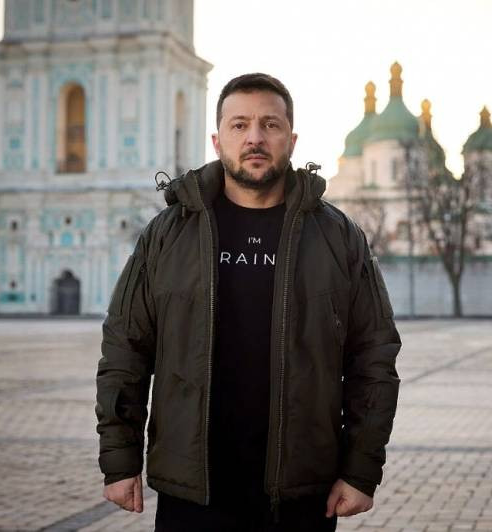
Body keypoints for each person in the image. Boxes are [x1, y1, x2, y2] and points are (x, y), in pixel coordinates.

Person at [95, 73, 401, 531]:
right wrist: (119, 460)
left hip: (302, 492)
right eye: (239, 125)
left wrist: (360, 470)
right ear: (217, 140)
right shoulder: (169, 233)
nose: (254, 137)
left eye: (270, 124)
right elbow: (126, 347)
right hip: (193, 491)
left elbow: (374, 355)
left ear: (291, 140)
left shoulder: (338, 237)